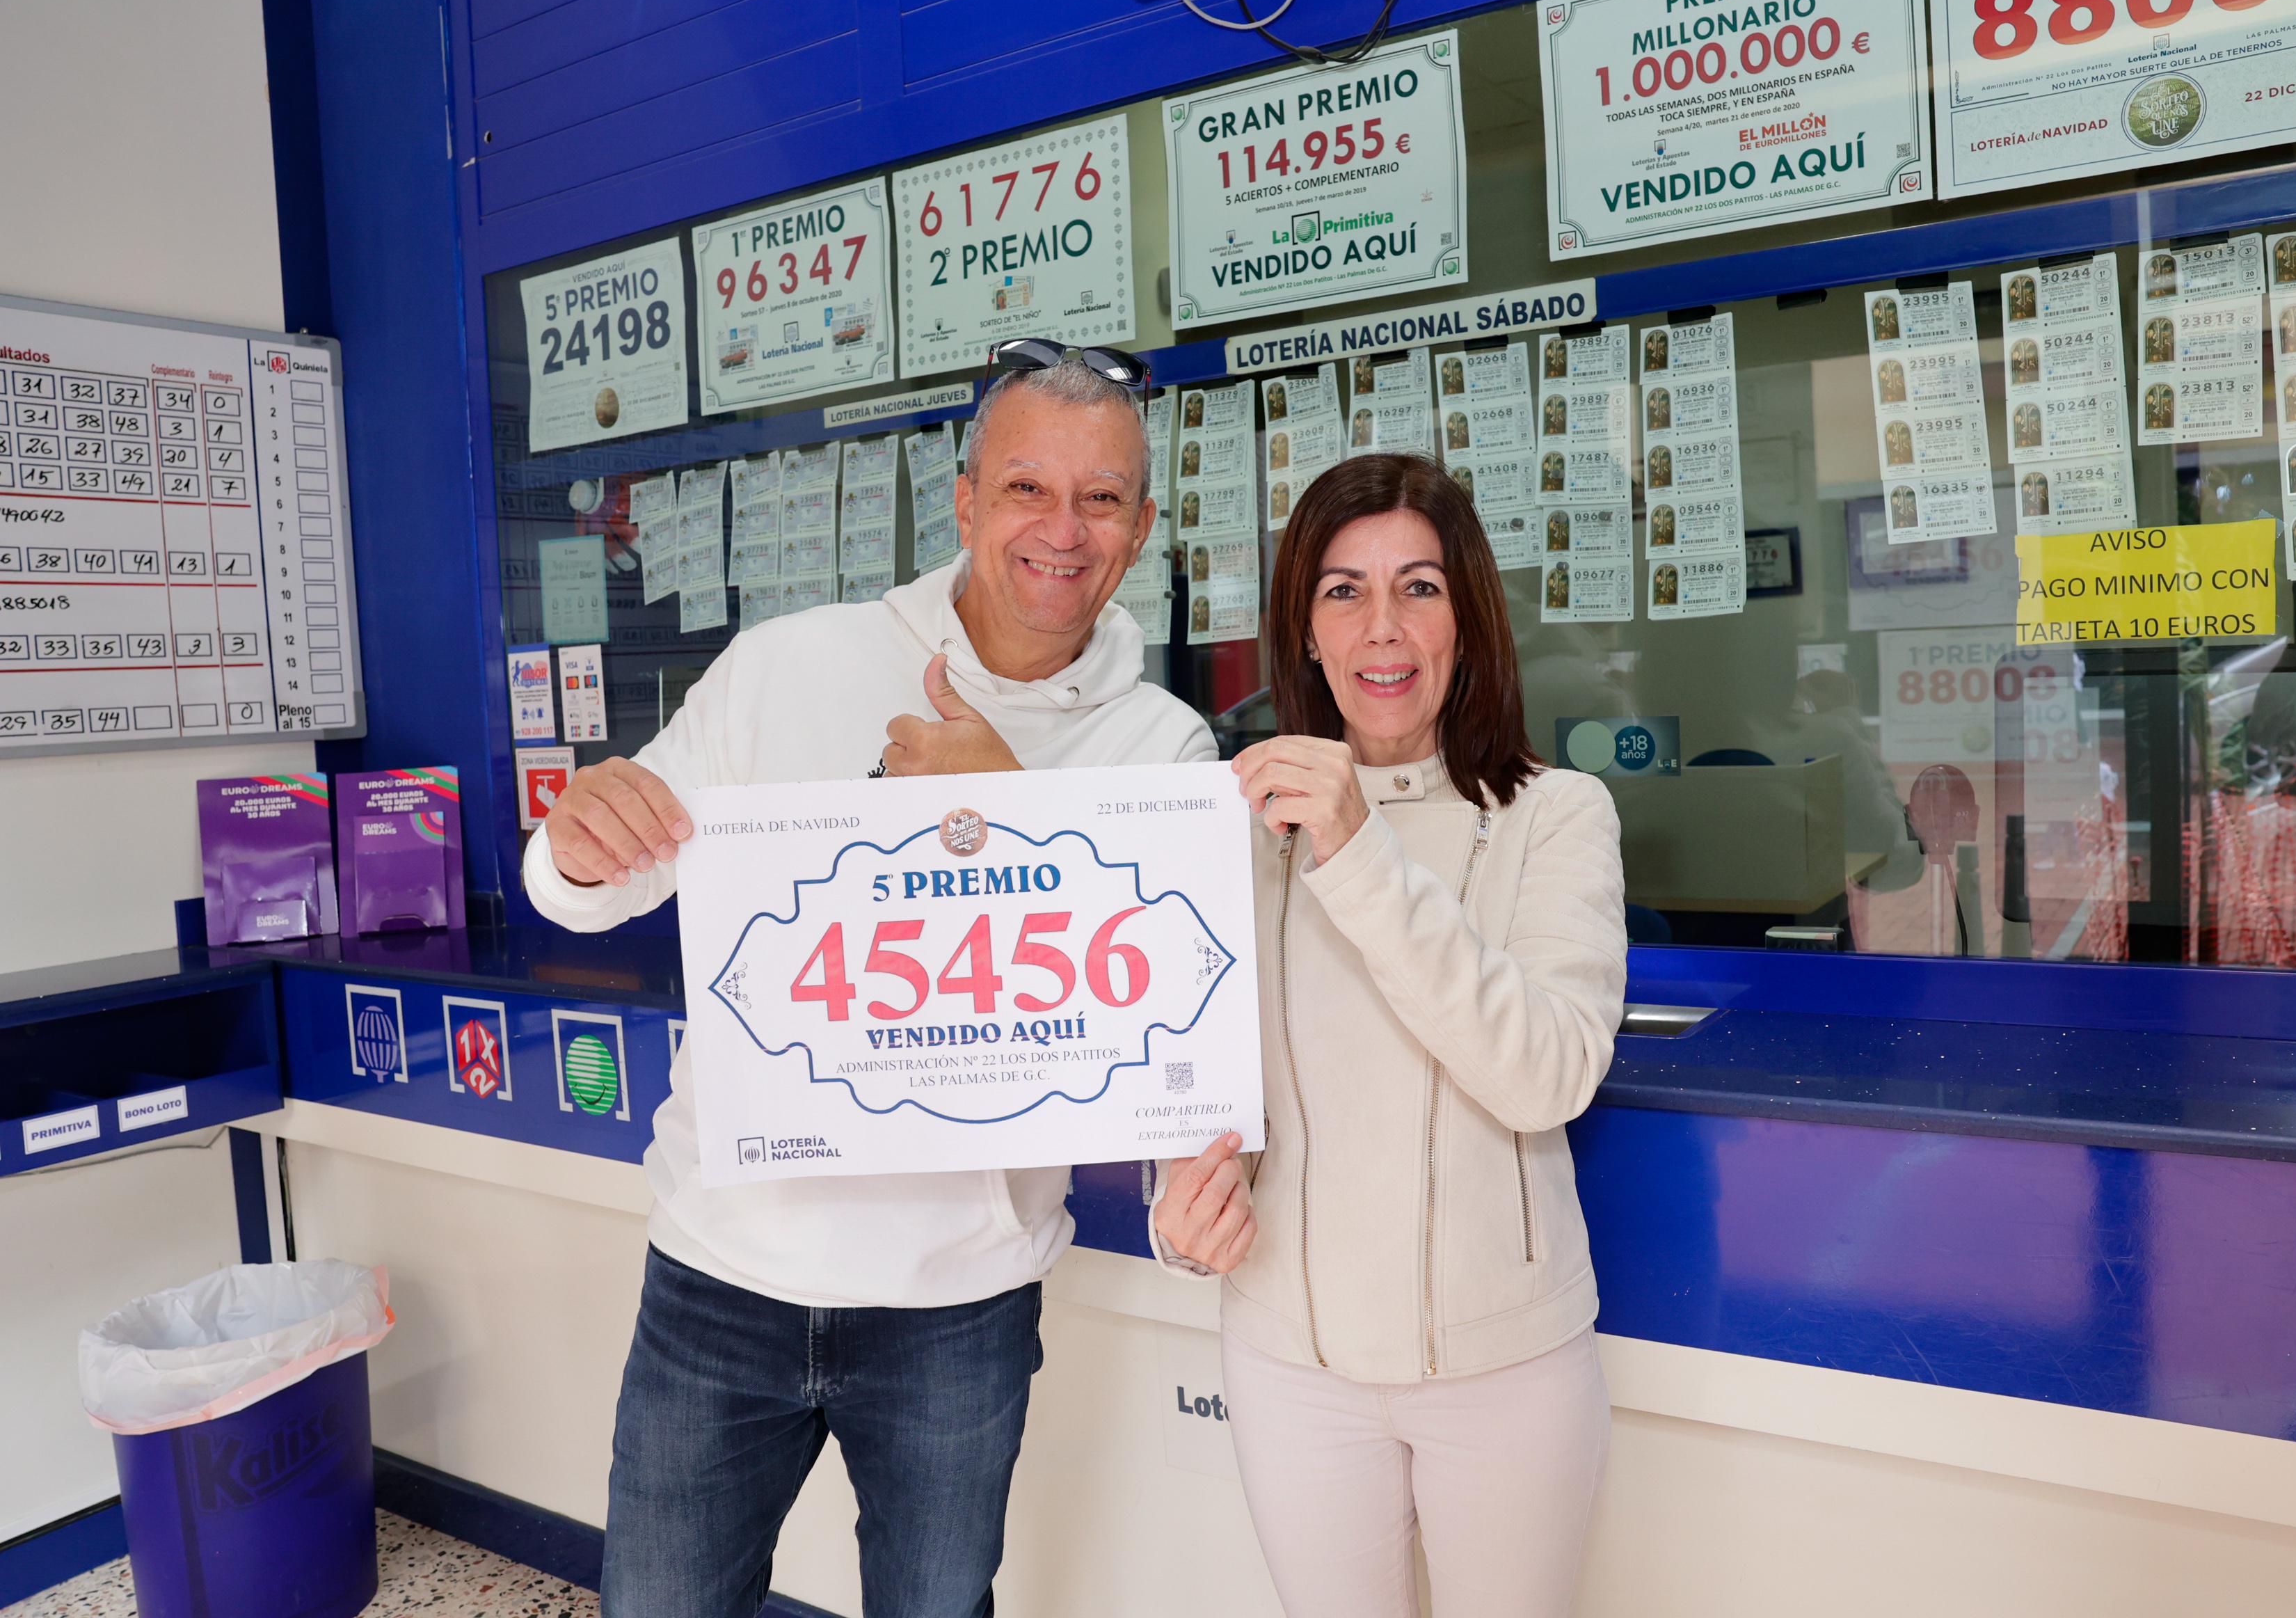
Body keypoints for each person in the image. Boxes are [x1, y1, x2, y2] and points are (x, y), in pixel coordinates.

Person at [523, 344, 1212, 1618]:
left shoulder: (1163, 744)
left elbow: (1165, 1015)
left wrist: (1008, 815)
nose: (1064, 530)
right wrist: (574, 840)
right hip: (720, 1274)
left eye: (1103, 498)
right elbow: (596, 880)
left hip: (959, 1306)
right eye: (1026, 489)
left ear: (1143, 527)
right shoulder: (790, 662)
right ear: (961, 502)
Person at [1149, 453, 1627, 1618]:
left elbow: (1546, 1071)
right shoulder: (1235, 832)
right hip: (1290, 1363)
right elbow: (1196, 1080)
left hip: (1506, 1371)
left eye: (1420, 587)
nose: (1384, 626)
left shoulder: (1556, 814)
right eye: (1342, 591)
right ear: (1304, 633)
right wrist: (1180, 1203)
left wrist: (1359, 848)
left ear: (1467, 618)